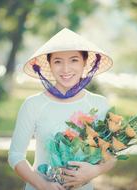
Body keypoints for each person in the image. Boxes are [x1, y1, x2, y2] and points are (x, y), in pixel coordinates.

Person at [8, 28, 115, 190]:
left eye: (74, 60)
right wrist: (43, 185)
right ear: (49, 65)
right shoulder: (33, 104)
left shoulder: (98, 104)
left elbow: (112, 155)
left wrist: (93, 171)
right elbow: (15, 156)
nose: (66, 69)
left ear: (84, 63)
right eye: (58, 61)